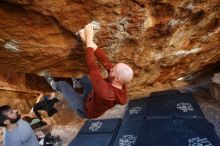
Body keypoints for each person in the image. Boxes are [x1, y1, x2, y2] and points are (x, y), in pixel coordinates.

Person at [42, 24, 133, 119]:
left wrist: (89, 37)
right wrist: (87, 41)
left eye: (114, 69)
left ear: (117, 78)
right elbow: (105, 61)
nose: (111, 68)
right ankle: (77, 84)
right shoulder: (120, 82)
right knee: (83, 77)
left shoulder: (105, 93)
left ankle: (52, 84)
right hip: (93, 96)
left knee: (62, 84)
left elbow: (92, 67)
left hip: (85, 109)